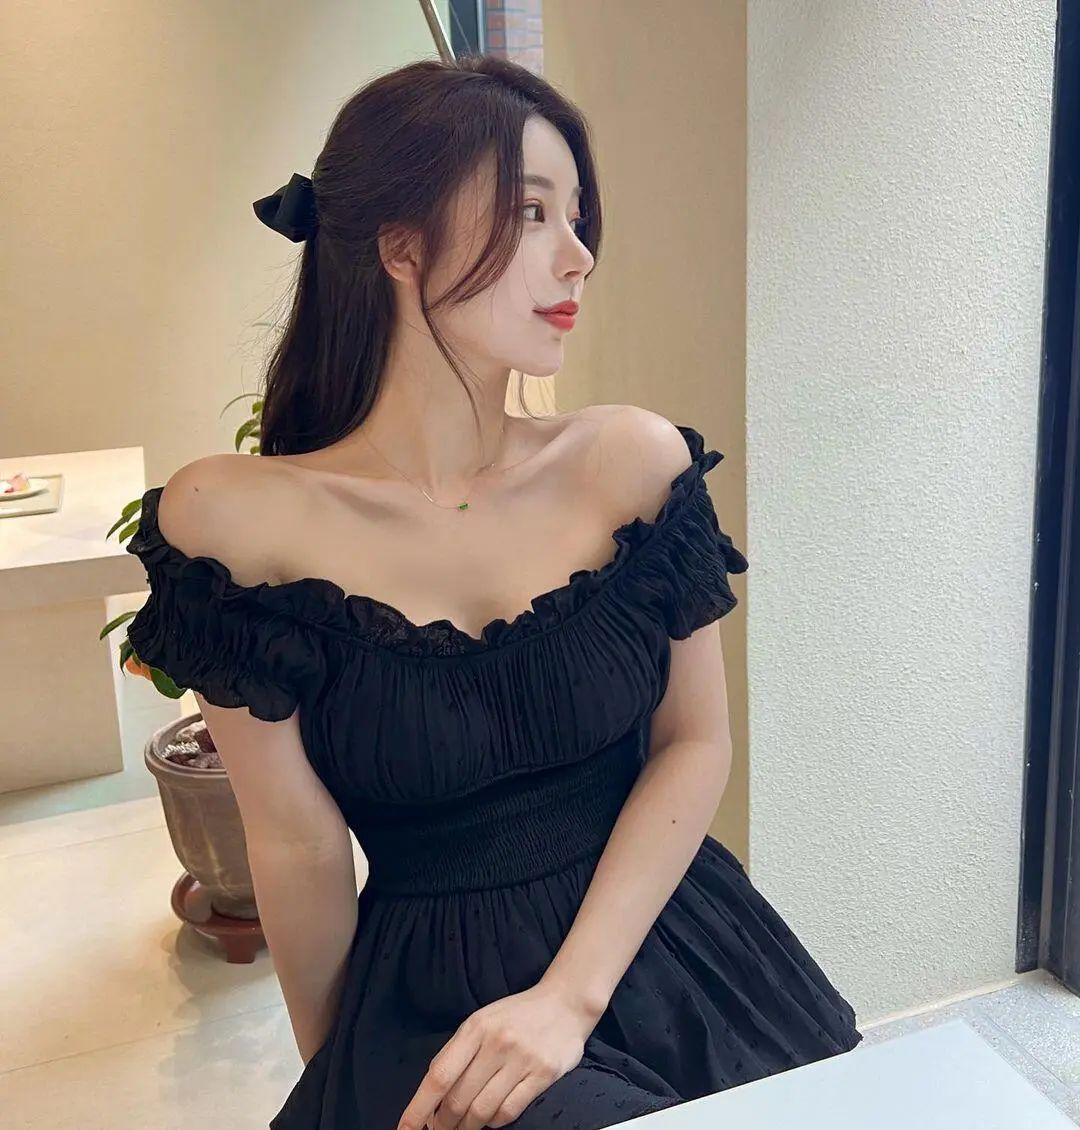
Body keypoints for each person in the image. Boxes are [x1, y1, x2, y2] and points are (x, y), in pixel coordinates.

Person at [125, 54, 861, 1130]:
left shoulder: (629, 462)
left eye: (578, 217)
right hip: (433, 997)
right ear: (401, 246)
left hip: (664, 941)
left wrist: (569, 998)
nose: (579, 256)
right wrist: (341, 1082)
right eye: (530, 213)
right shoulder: (234, 523)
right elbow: (298, 845)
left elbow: (695, 740)